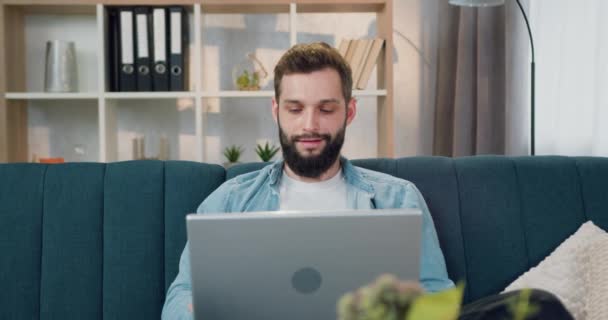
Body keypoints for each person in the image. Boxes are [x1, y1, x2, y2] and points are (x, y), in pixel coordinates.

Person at [162, 42, 572, 320]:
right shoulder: (229, 202)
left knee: (538, 306)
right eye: (295, 108)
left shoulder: (397, 198)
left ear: (350, 112)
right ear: (276, 110)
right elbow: (177, 303)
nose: (309, 124)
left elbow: (435, 296)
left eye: (326, 108)